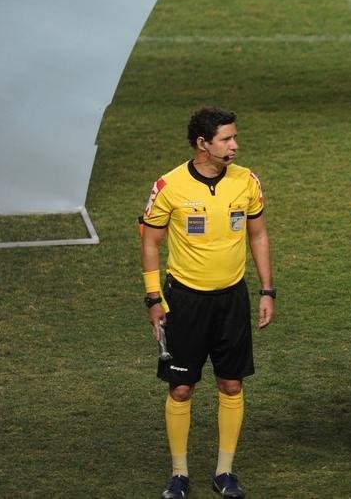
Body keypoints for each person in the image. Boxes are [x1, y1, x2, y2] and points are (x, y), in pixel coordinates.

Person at [140, 106, 275, 499]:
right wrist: (153, 298)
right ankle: (179, 474)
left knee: (231, 384)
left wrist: (267, 290)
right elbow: (150, 241)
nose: (235, 145)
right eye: (226, 139)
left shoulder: (247, 182)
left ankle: (224, 472)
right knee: (181, 388)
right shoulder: (169, 186)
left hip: (233, 300)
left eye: (234, 137)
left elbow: (259, 236)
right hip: (185, 301)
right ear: (203, 144)